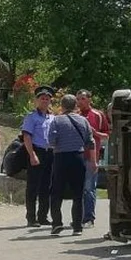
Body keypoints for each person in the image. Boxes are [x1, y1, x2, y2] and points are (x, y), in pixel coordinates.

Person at [47, 94, 95, 236]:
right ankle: (77, 226)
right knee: (77, 193)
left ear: (62, 106)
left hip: (61, 157)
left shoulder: (56, 121)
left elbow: (52, 140)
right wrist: (93, 161)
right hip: (78, 157)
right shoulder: (83, 121)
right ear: (75, 106)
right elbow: (90, 142)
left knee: (56, 192)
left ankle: (56, 223)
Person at [21, 85, 55, 227]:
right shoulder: (31, 117)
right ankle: (31, 217)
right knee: (33, 186)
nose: (45, 101)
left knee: (46, 186)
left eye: (47, 99)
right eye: (42, 98)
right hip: (37, 151)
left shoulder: (53, 118)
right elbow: (26, 137)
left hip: (50, 153)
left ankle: (42, 216)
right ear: (37, 100)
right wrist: (32, 154)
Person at [76, 89, 109, 228]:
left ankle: (89, 218)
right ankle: (77, 216)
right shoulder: (75, 115)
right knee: (77, 188)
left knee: (89, 188)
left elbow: (107, 135)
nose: (80, 102)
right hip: (76, 156)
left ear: (89, 99)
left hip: (91, 156)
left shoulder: (98, 115)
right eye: (78, 99)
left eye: (82, 99)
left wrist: (95, 132)